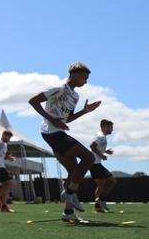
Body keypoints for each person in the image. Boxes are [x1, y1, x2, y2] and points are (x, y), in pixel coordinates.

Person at [28, 62, 101, 224]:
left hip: (59, 132)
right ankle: (69, 192)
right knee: (89, 158)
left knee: (74, 171)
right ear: (74, 74)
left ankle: (68, 212)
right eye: (84, 77)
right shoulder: (58, 88)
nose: (86, 81)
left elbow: (68, 119)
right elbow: (33, 101)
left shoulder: (75, 96)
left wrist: (85, 111)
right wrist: (52, 119)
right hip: (50, 132)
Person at [89, 120, 117, 212]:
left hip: (95, 163)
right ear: (105, 127)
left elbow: (96, 148)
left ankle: (99, 205)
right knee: (110, 181)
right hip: (94, 163)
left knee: (102, 184)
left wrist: (105, 151)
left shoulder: (101, 136)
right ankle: (101, 201)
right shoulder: (100, 136)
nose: (112, 130)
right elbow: (92, 146)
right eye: (110, 127)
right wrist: (101, 155)